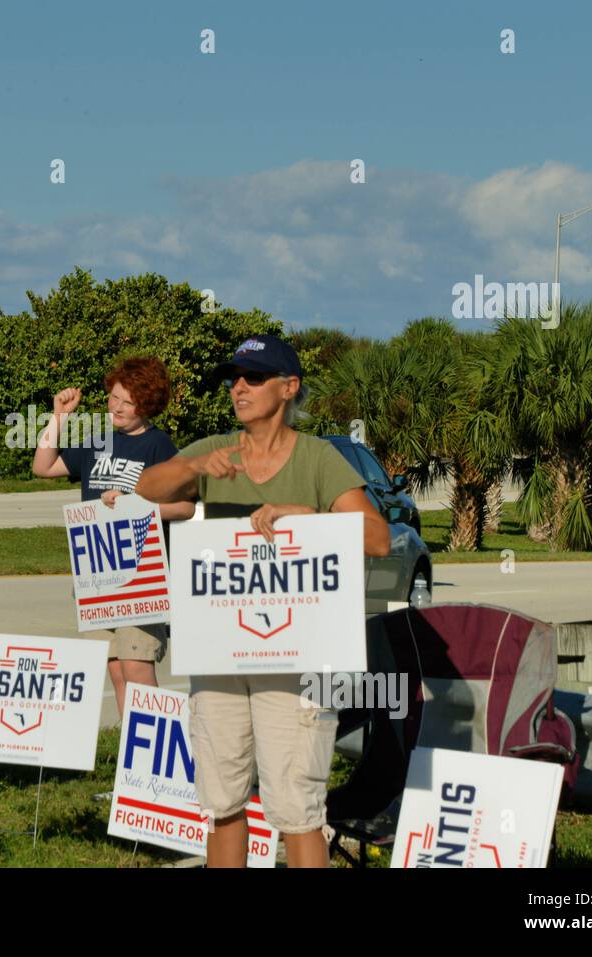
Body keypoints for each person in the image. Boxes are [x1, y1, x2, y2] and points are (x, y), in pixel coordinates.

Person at [136, 335, 390, 868]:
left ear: (289, 387)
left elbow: (377, 538)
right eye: (234, 378)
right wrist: (198, 468)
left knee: (297, 807)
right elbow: (148, 487)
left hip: (297, 659)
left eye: (253, 377)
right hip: (221, 654)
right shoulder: (215, 449)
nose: (238, 388)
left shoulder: (319, 457)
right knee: (223, 799)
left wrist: (306, 516)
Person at [32, 356, 195, 716]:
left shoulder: (159, 447)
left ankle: (159, 761)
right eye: (114, 397)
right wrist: (58, 417)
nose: (117, 407)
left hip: (141, 576)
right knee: (118, 671)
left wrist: (133, 505)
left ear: (147, 405)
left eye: (128, 401)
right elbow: (42, 466)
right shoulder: (97, 443)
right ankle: (130, 759)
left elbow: (184, 508)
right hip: (97, 574)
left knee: (138, 669)